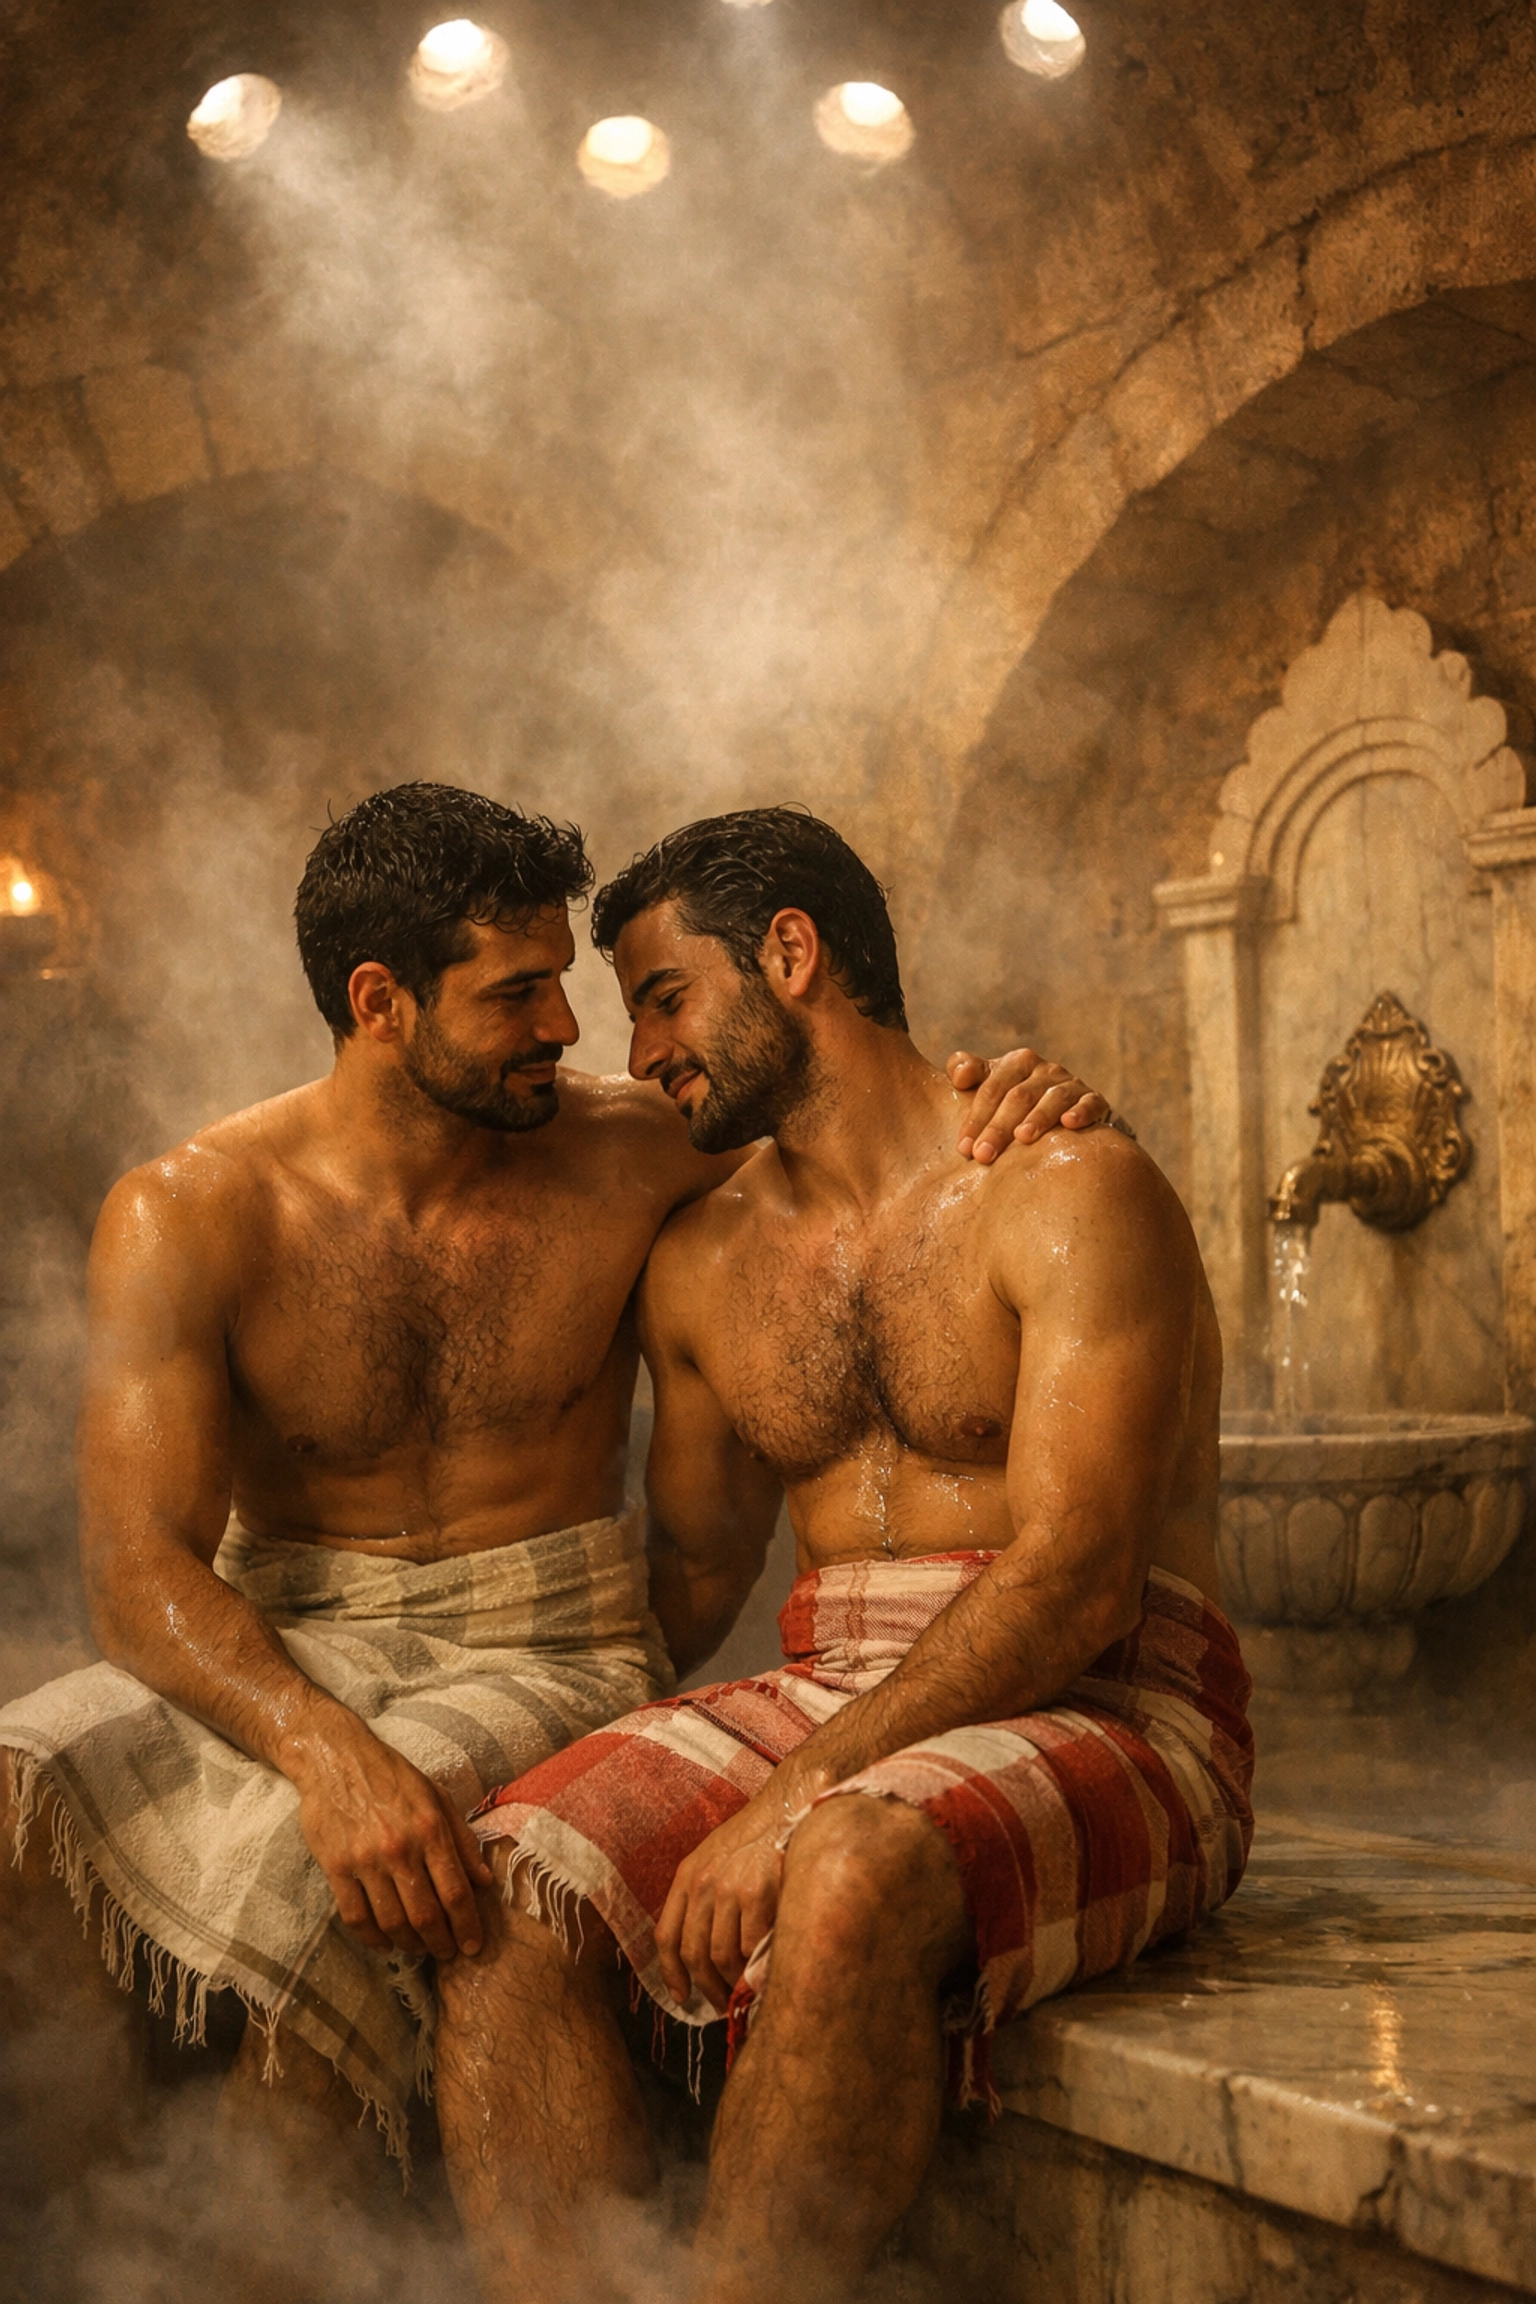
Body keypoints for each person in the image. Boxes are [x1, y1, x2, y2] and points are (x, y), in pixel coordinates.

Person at [0, 782, 1104, 2194]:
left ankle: (279, 2245)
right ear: (380, 1000)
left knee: (322, 1884)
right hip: (283, 1629)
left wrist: (1027, 1094)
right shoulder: (192, 1211)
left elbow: (863, 1126)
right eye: (518, 995)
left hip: (543, 1638)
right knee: (20, 1796)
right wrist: (320, 1743)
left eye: (567, 987)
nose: (572, 1032)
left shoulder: (635, 1148)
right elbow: (137, 1575)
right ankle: (77, 2234)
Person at [436, 806, 1253, 2304]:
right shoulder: (706, 1259)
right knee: (507, 1889)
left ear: (793, 956)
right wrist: (474, 1732)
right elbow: (687, 1583)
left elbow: (1078, 1576)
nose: (643, 1053)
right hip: (839, 1687)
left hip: (1117, 1694)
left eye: (666, 997)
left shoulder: (1064, 1185)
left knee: (854, 1864)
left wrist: (798, 1797)